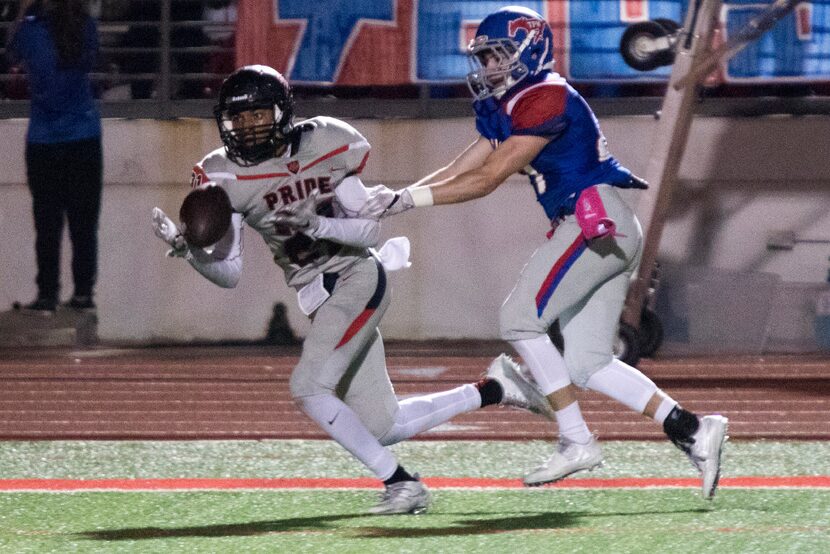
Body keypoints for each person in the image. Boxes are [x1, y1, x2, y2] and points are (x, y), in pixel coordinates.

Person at [359, 6, 728, 499]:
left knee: (518, 319)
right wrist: (401, 198)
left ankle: (576, 440)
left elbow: (488, 178)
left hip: (592, 222)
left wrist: (408, 199)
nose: (488, 65)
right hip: (604, 226)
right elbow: (471, 161)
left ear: (528, 50)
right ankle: (691, 428)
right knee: (588, 363)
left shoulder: (545, 95)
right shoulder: (516, 99)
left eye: (497, 54)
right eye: (485, 56)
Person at [151, 65, 553, 514]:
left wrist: (318, 223)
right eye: (237, 119)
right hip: (319, 296)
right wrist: (193, 254)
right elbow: (230, 273)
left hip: (356, 277)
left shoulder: (327, 143)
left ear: (282, 112)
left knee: (309, 387)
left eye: (257, 115)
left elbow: (369, 232)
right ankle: (494, 388)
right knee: (382, 426)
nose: (246, 127)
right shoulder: (222, 175)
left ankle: (402, 484)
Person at [7, 0, 102, 313]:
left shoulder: (31, 32)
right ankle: (83, 293)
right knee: (83, 226)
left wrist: (21, 12)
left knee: (47, 226)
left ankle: (47, 294)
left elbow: (9, 57)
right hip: (84, 136)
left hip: (44, 140)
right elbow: (91, 61)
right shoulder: (86, 27)